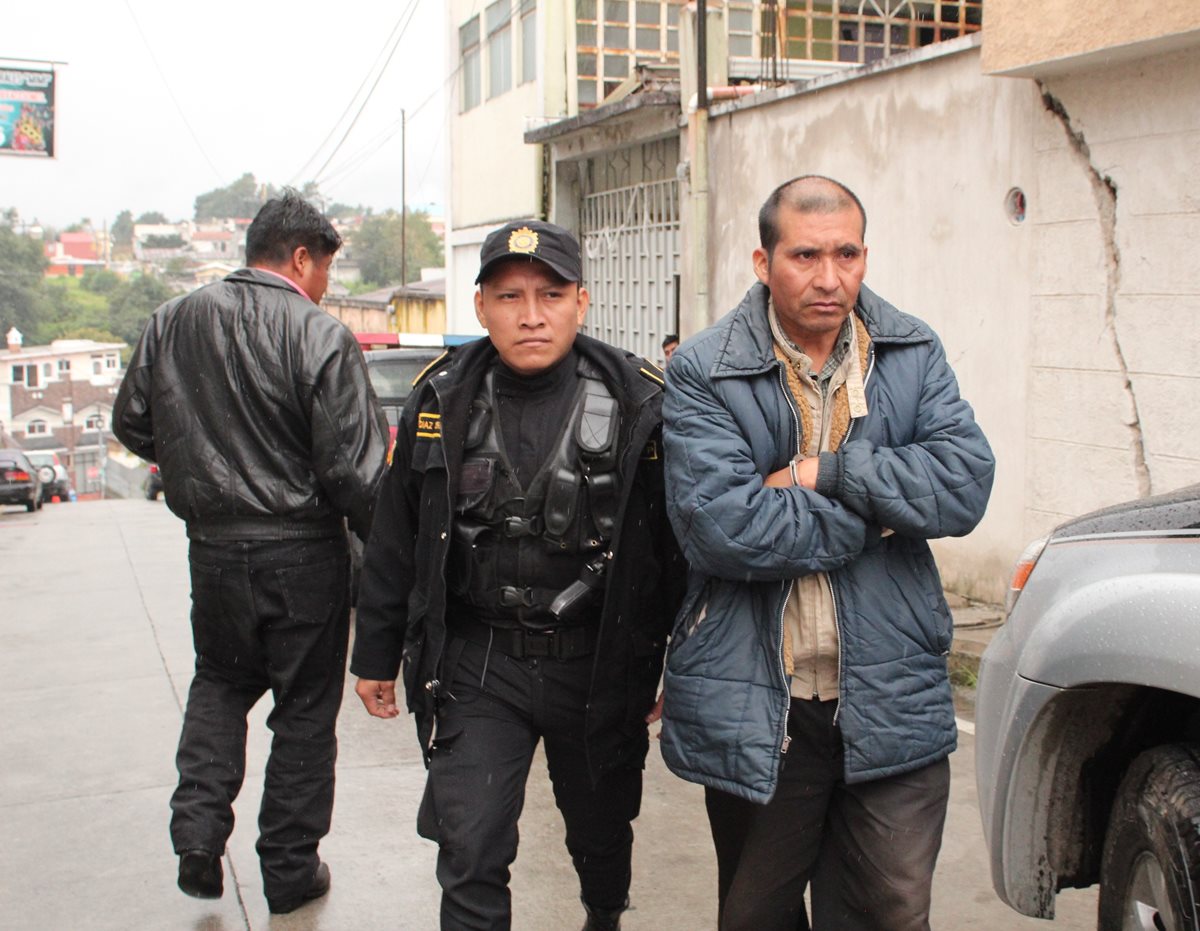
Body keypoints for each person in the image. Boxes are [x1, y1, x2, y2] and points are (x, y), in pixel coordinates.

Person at [659, 176, 994, 930]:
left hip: (890, 693)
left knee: (891, 912)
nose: (829, 276)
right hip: (764, 705)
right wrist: (877, 519)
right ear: (763, 260)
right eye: (805, 255)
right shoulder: (706, 369)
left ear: (865, 256)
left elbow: (965, 484)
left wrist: (826, 473)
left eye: (847, 253)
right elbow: (723, 526)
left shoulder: (909, 350)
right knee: (758, 917)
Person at [352, 218, 684, 931]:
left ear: (582, 302)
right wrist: (376, 653)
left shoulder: (640, 404)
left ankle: (603, 914)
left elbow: (675, 550)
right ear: (480, 308)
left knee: (601, 837)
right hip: (479, 660)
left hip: (597, 663)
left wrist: (674, 664)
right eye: (509, 297)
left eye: (550, 294)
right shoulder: (438, 401)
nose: (531, 314)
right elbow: (395, 537)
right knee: (468, 845)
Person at [113, 191, 388, 915]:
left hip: (212, 549)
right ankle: (290, 867)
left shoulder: (171, 322)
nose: (326, 284)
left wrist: (195, 464)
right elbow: (356, 474)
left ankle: (198, 837)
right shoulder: (319, 335)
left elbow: (132, 420)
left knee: (220, 685)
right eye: (324, 268)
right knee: (302, 710)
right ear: (302, 257)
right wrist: (397, 557)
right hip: (303, 553)